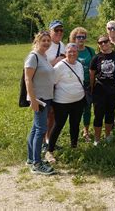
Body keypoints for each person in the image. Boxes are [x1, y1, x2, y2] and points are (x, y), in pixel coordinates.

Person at [45, 43, 85, 163]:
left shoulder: (79, 65)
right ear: (65, 53)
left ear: (77, 53)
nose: (72, 53)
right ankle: (49, 151)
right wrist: (51, 103)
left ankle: (74, 147)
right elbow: (52, 83)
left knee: (75, 125)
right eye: (69, 52)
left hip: (78, 101)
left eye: (74, 51)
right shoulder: (59, 66)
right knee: (58, 126)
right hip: (62, 102)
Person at [24, 31, 55, 175]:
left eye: (48, 40)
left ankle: (31, 158)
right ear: (37, 41)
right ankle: (37, 163)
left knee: (35, 128)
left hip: (46, 97)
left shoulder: (44, 56)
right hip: (39, 99)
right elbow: (28, 79)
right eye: (44, 40)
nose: (47, 43)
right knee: (41, 130)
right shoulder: (33, 57)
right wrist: (33, 99)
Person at [89, 34, 115, 145]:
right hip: (99, 90)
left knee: (110, 113)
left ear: (110, 42)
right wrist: (92, 89)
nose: (103, 44)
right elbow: (92, 74)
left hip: (113, 89)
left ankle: (107, 135)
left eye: (105, 41)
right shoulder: (96, 58)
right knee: (98, 114)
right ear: (98, 45)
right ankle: (97, 139)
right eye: (100, 42)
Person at [69, 27, 96, 142]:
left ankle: (86, 131)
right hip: (74, 85)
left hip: (88, 84)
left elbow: (95, 68)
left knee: (87, 109)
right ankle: (73, 132)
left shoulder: (90, 51)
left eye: (83, 37)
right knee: (74, 110)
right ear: (73, 38)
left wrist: (93, 84)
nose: (81, 39)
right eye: (78, 37)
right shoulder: (71, 51)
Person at [44, 20, 66, 150]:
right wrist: (54, 62)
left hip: (57, 84)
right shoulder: (45, 44)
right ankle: (42, 143)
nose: (58, 33)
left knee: (53, 113)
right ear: (50, 31)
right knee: (44, 114)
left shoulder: (62, 45)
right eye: (56, 30)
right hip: (44, 84)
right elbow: (38, 65)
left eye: (61, 30)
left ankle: (49, 140)